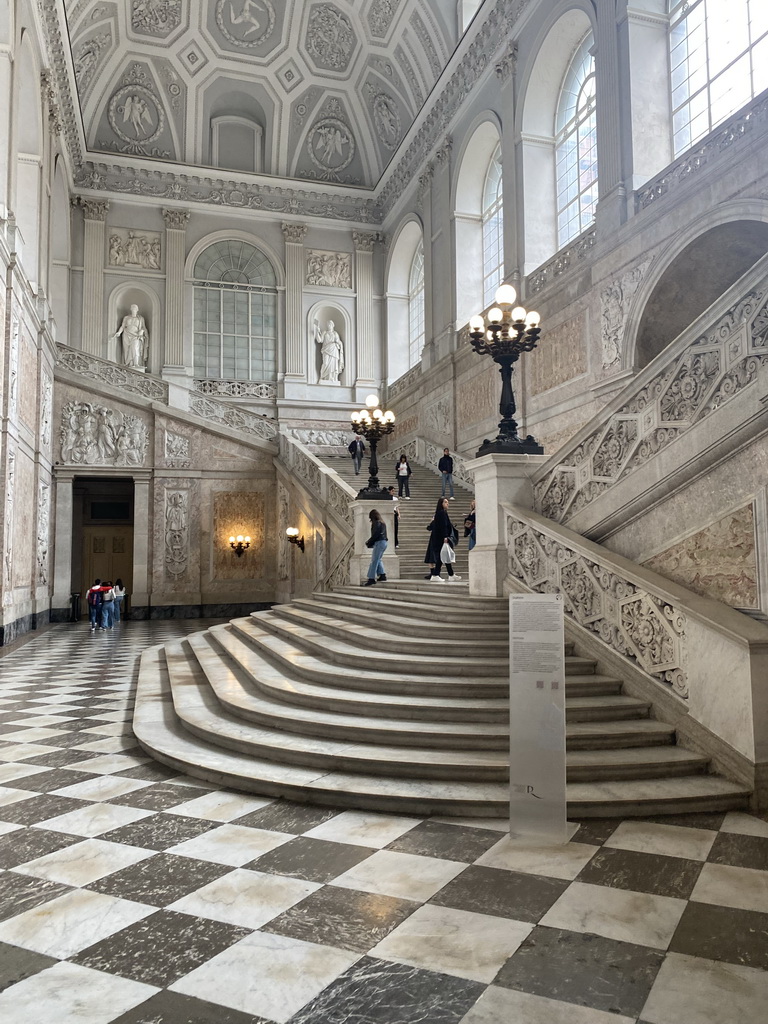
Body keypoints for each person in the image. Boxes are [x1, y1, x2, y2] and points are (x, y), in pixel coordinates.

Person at [424, 497, 461, 582]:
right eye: (445, 502)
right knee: (442, 556)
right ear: (441, 504)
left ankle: (451, 574)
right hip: (440, 538)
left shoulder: (441, 513)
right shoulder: (441, 513)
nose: (447, 504)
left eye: (447, 502)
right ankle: (435, 574)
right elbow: (443, 526)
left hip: (439, 538)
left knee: (446, 555)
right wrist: (445, 537)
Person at [114, 304, 149, 369]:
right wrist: (119, 332)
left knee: (135, 347)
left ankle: (136, 364)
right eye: (132, 308)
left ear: (137, 310)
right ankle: (129, 364)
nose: (134, 309)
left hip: (136, 335)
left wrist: (142, 331)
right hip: (127, 335)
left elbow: (144, 327)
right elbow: (122, 326)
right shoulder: (126, 318)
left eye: (135, 308)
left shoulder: (141, 318)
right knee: (127, 350)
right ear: (130, 309)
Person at [363, 509, 388, 586]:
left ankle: (371, 578)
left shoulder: (376, 523)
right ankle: (382, 574)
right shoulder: (382, 523)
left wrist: (369, 542)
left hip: (379, 542)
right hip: (384, 542)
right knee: (378, 559)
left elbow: (376, 534)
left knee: (374, 561)